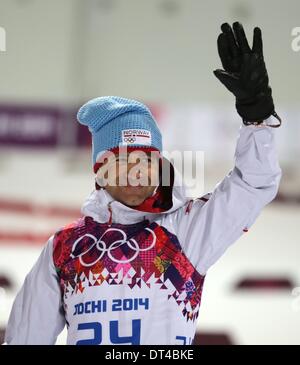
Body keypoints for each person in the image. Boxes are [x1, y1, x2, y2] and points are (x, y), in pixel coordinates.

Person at [4, 22, 282, 345]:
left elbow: (253, 185)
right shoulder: (65, 249)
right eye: (124, 161)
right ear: (101, 169)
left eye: (147, 161)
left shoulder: (185, 232)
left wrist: (257, 117)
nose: (138, 172)